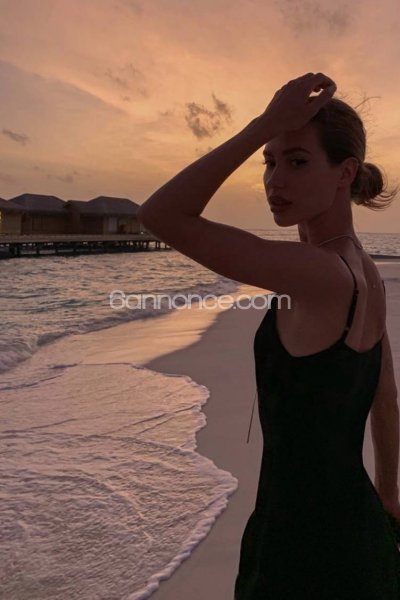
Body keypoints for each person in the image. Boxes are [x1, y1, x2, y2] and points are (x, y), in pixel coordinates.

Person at [137, 72, 400, 598]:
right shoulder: (364, 270)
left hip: (299, 546)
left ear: (345, 172)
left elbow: (159, 215)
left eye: (297, 162)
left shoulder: (318, 273)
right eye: (269, 161)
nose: (275, 181)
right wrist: (389, 500)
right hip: (357, 527)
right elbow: (385, 398)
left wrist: (263, 125)